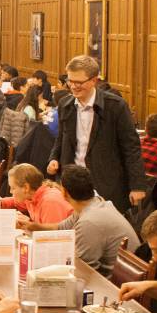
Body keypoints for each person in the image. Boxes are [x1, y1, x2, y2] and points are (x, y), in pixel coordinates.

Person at [47, 55, 147, 213]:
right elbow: (61, 138)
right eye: (70, 81)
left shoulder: (115, 106)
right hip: (73, 183)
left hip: (105, 182)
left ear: (94, 80)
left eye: (79, 82)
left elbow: (131, 148)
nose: (73, 86)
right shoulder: (65, 104)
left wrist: (137, 186)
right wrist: (54, 158)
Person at [18, 166, 129, 277]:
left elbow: (82, 270)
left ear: (64, 193)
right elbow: (60, 227)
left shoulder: (88, 223)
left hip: (113, 281)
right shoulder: (92, 203)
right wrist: (31, 226)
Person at [2, 163, 74, 223]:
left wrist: (29, 224)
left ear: (26, 187)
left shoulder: (50, 202)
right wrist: (0, 203)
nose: (10, 191)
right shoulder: (30, 196)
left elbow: (53, 234)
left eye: (13, 188)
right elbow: (17, 202)